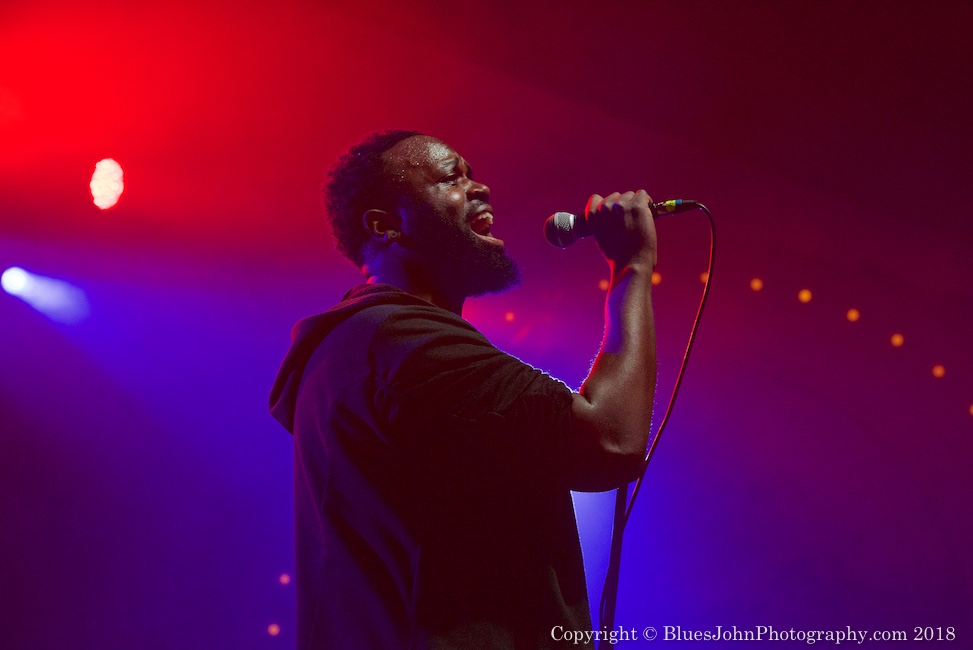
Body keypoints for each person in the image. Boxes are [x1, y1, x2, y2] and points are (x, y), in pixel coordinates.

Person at [269, 130, 658, 649]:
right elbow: (611, 441)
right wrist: (633, 267)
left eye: (472, 174)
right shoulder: (397, 338)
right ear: (385, 225)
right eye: (452, 177)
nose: (480, 189)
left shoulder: (361, 344)